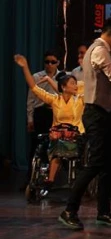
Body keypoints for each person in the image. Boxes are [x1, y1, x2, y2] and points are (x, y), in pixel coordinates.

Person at [59, 18, 111, 230]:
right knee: (96, 163)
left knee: (109, 165)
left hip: (108, 113)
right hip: (96, 113)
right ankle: (69, 210)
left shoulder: (103, 51)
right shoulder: (99, 50)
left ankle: (104, 212)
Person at [15, 55, 84, 185]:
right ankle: (51, 179)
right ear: (63, 87)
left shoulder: (80, 100)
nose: (76, 86)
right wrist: (25, 67)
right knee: (55, 145)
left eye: (76, 84)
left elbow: (90, 86)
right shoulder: (54, 100)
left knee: (62, 144)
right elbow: (34, 87)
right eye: (72, 83)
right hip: (58, 137)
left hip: (76, 136)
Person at [25, 51, 59, 184]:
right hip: (40, 112)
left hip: (55, 114)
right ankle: (30, 179)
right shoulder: (37, 76)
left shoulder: (62, 77)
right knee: (36, 145)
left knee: (55, 146)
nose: (50, 65)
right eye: (47, 62)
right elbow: (30, 99)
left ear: (58, 63)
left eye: (53, 62)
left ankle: (51, 178)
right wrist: (30, 119)